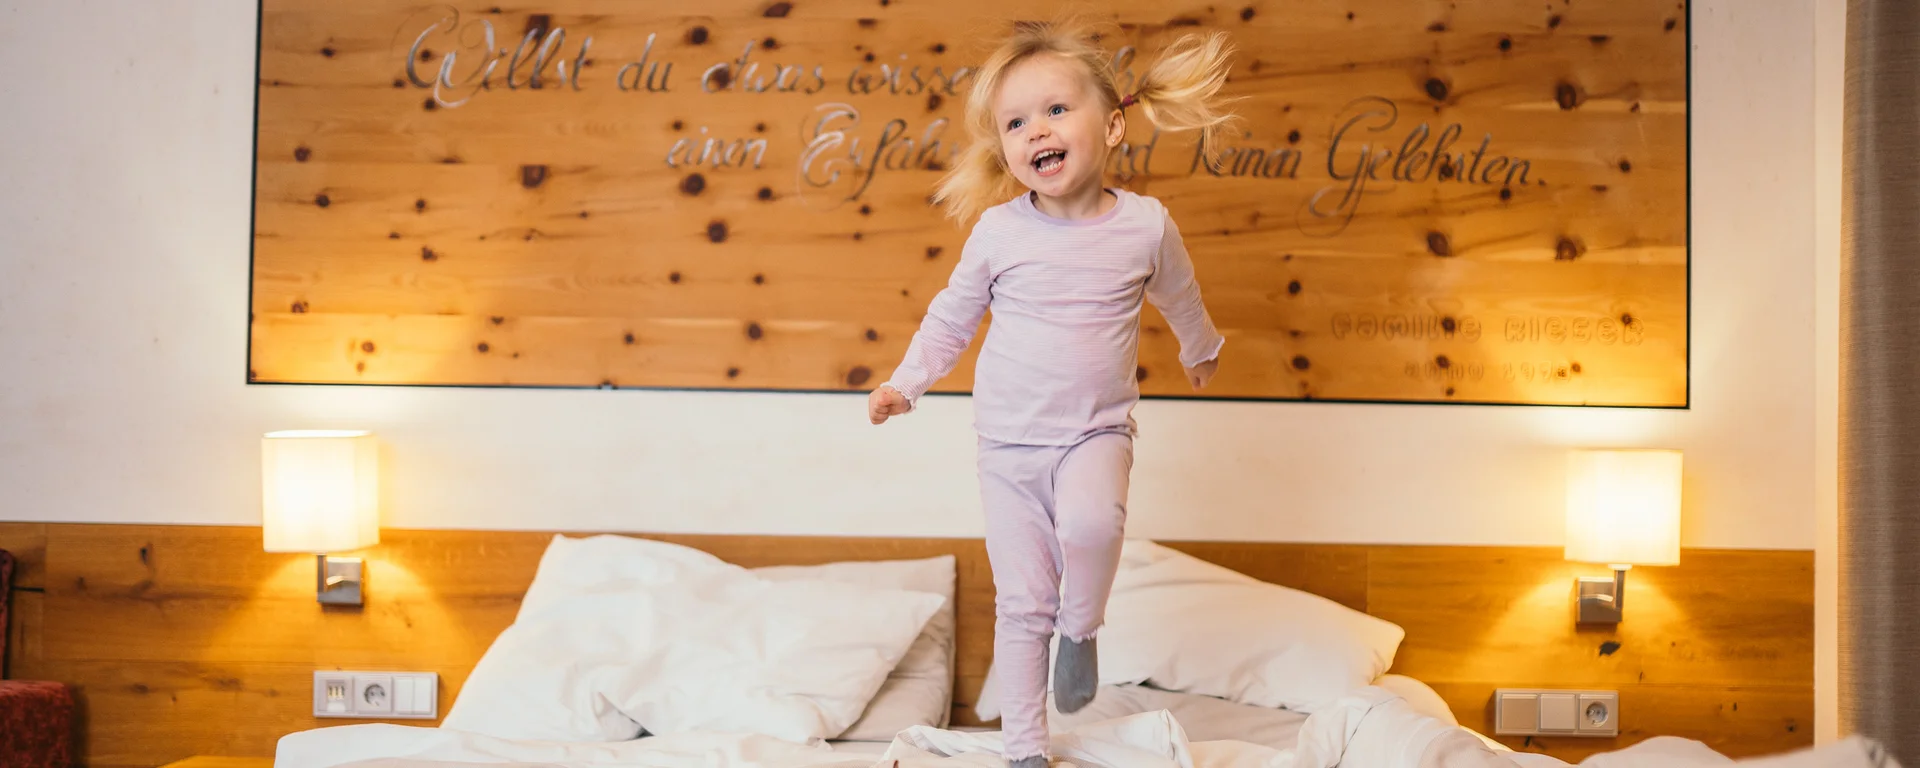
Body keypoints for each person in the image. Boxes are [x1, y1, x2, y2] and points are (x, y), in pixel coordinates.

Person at [865, 17, 1238, 768]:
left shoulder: (1145, 226)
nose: (1036, 129)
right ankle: (1026, 752)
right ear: (1006, 148)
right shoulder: (999, 232)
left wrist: (1200, 349)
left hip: (1096, 431)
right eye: (1015, 122)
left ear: (1113, 125)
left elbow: (1182, 295)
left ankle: (1082, 628)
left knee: (1094, 525)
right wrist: (906, 383)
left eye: (1056, 110)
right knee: (1021, 602)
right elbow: (951, 317)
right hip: (1007, 448)